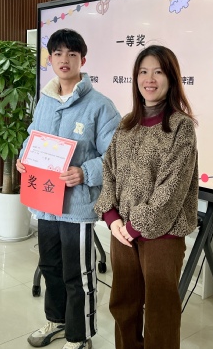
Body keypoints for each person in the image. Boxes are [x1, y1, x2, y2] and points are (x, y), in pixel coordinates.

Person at [18, 28, 121, 349]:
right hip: (45, 202)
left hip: (76, 207)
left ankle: (79, 335)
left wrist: (85, 172)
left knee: (78, 275)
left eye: (72, 54)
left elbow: (116, 155)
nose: (65, 60)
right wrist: (23, 157)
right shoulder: (45, 100)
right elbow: (33, 136)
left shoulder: (100, 105)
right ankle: (57, 320)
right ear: (50, 59)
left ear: (82, 61)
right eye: (58, 54)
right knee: (50, 266)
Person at [94, 45, 199, 349]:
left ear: (171, 78)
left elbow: (172, 188)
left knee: (160, 311)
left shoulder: (180, 126)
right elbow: (109, 169)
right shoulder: (127, 123)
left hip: (162, 234)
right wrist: (112, 218)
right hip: (122, 233)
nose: (149, 79)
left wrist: (135, 225)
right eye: (143, 72)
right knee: (123, 304)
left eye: (158, 71)